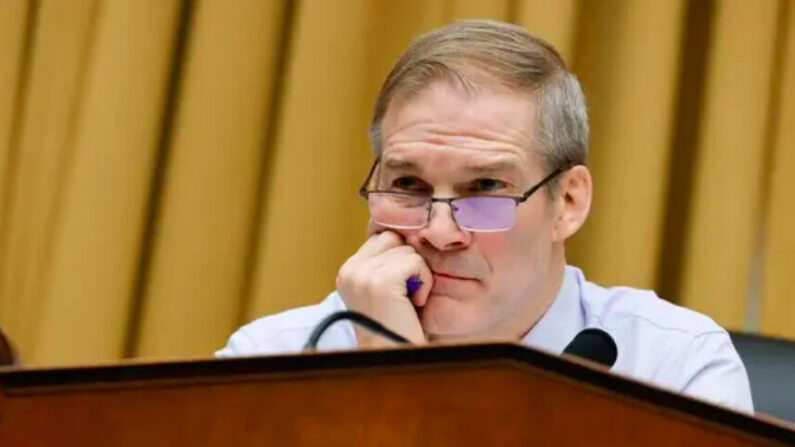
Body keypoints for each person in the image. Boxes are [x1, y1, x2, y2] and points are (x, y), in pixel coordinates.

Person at [216, 19, 753, 413]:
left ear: (568, 202)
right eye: (407, 184)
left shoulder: (671, 367)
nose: (439, 231)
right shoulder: (272, 359)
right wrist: (383, 368)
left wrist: (398, 386)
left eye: (486, 187)